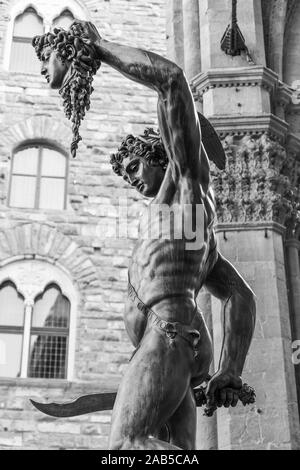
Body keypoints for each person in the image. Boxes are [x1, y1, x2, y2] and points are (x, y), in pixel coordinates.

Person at [34, 21, 256, 450]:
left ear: (164, 155)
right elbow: (239, 295)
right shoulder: (187, 232)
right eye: (123, 173)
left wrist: (98, 47)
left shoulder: (186, 187)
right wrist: (230, 368)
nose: (131, 179)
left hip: (168, 338)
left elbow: (171, 81)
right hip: (175, 345)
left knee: (126, 447)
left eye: (135, 167)